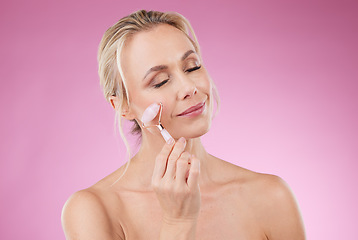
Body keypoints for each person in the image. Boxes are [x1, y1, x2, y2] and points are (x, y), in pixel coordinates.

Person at [61, 10, 305, 240]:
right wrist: (178, 223)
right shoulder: (93, 210)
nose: (189, 88)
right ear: (122, 106)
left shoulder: (271, 196)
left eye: (193, 67)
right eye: (160, 81)